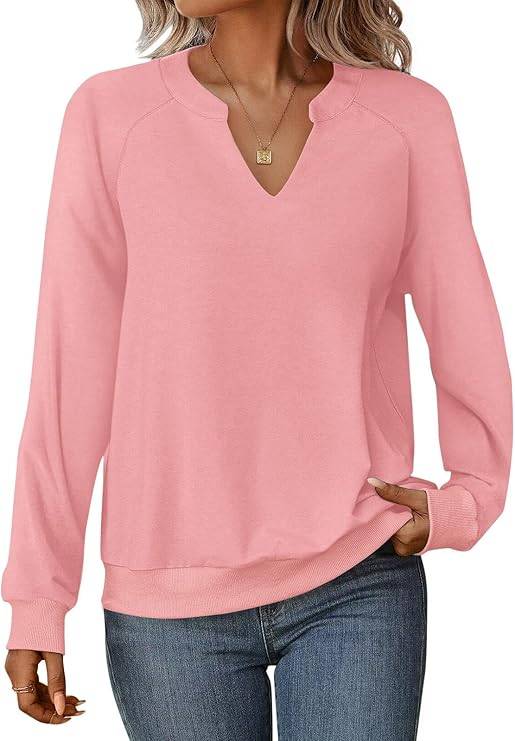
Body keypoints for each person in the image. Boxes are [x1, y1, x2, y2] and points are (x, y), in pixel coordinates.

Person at [2, 0, 512, 738]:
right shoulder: (111, 116)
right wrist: (38, 596)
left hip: (357, 576)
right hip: (168, 602)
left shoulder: (406, 120)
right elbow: (68, 372)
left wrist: (471, 497)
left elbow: (462, 321)